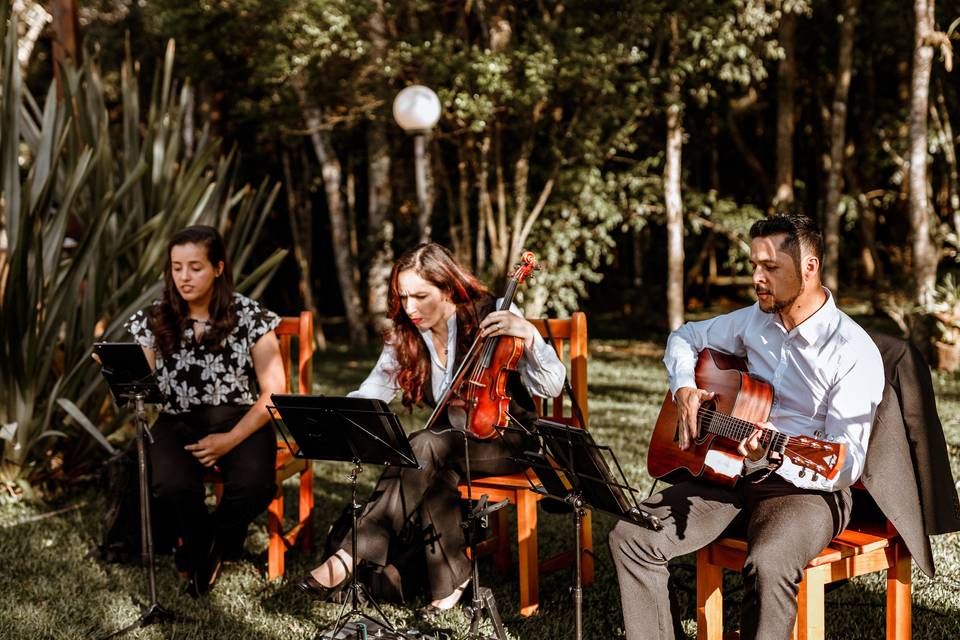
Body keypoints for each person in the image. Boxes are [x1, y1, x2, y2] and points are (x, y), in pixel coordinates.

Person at [608, 214, 885, 640]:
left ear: (809, 267)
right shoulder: (756, 320)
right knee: (632, 536)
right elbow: (685, 337)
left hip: (806, 488)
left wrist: (773, 455)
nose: (757, 278)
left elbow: (845, 463)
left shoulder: (851, 351)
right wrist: (684, 389)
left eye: (770, 267)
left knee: (771, 563)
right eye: (754, 264)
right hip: (729, 472)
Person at [295, 242, 565, 614]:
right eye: (403, 296)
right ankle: (452, 584)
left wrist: (529, 334)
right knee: (433, 462)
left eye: (421, 296)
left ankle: (349, 556)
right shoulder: (405, 335)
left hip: (507, 440)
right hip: (449, 446)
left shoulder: (493, 312)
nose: (410, 307)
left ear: (449, 288)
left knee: (423, 444)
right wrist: (341, 414)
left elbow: (551, 386)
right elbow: (373, 391)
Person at [124, 225, 285, 597]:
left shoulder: (249, 315)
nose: (184, 277)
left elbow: (274, 392)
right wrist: (121, 367)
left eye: (195, 267)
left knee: (254, 485)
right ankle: (209, 546)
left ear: (218, 268)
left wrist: (229, 440)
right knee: (169, 484)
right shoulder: (155, 316)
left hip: (241, 418)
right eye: (176, 267)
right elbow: (140, 382)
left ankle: (205, 549)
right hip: (177, 420)